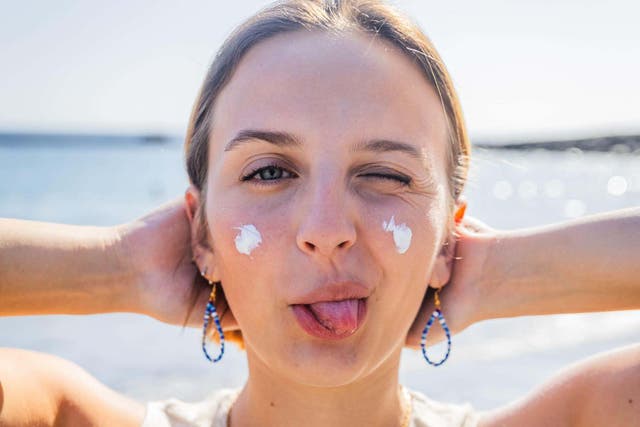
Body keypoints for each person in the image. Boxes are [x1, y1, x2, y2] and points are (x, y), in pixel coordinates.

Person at [1, 0, 638, 425]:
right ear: (200, 229)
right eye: (270, 172)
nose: (327, 231)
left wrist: (498, 274)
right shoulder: (61, 414)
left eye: (386, 174)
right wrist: (120, 269)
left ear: (450, 233)